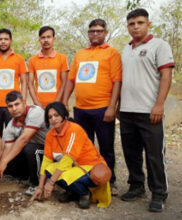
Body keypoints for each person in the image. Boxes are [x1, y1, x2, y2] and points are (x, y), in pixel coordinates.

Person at [119, 8, 174, 212]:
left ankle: (159, 193)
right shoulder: (126, 49)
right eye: (132, 24)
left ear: (148, 24)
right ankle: (136, 186)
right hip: (126, 111)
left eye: (140, 23)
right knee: (131, 153)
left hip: (150, 111)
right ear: (128, 27)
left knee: (154, 155)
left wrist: (159, 104)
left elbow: (166, 76)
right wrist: (118, 106)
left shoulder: (159, 45)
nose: (136, 27)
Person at [62, 19, 122, 195]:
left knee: (106, 148)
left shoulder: (112, 53)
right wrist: (65, 101)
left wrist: (112, 107)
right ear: (88, 33)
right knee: (82, 149)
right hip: (80, 109)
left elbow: (117, 81)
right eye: (92, 31)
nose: (95, 34)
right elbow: (71, 80)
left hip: (102, 108)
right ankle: (84, 181)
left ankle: (109, 181)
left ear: (105, 33)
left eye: (99, 31)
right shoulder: (80, 54)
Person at [30, 102, 111, 209]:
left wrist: (50, 183)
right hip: (74, 167)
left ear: (64, 115)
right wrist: (40, 187)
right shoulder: (50, 135)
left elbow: (67, 160)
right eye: (50, 117)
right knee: (49, 170)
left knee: (62, 175)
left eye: (56, 115)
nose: (53, 119)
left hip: (92, 168)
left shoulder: (74, 130)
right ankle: (73, 191)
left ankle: (84, 194)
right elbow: (46, 161)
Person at [0, 91, 48, 195]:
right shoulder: (11, 126)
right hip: (36, 152)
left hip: (50, 150)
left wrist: (4, 162)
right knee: (9, 163)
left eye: (17, 104)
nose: (14, 109)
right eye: (10, 106)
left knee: (29, 148)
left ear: (24, 103)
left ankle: (37, 183)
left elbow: (24, 139)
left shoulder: (35, 112)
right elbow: (7, 148)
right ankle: (30, 175)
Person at [0, 28, 27, 137]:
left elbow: (24, 82)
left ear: (11, 41)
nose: (3, 41)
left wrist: (23, 102)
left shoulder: (19, 59)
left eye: (6, 39)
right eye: (0, 39)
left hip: (13, 105)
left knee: (14, 136)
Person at [28, 26, 69, 108]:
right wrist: (36, 102)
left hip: (57, 105)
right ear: (39, 40)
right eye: (43, 37)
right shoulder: (33, 60)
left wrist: (57, 102)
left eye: (48, 37)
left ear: (54, 39)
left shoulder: (62, 58)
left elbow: (65, 82)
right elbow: (30, 83)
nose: (46, 40)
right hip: (39, 106)